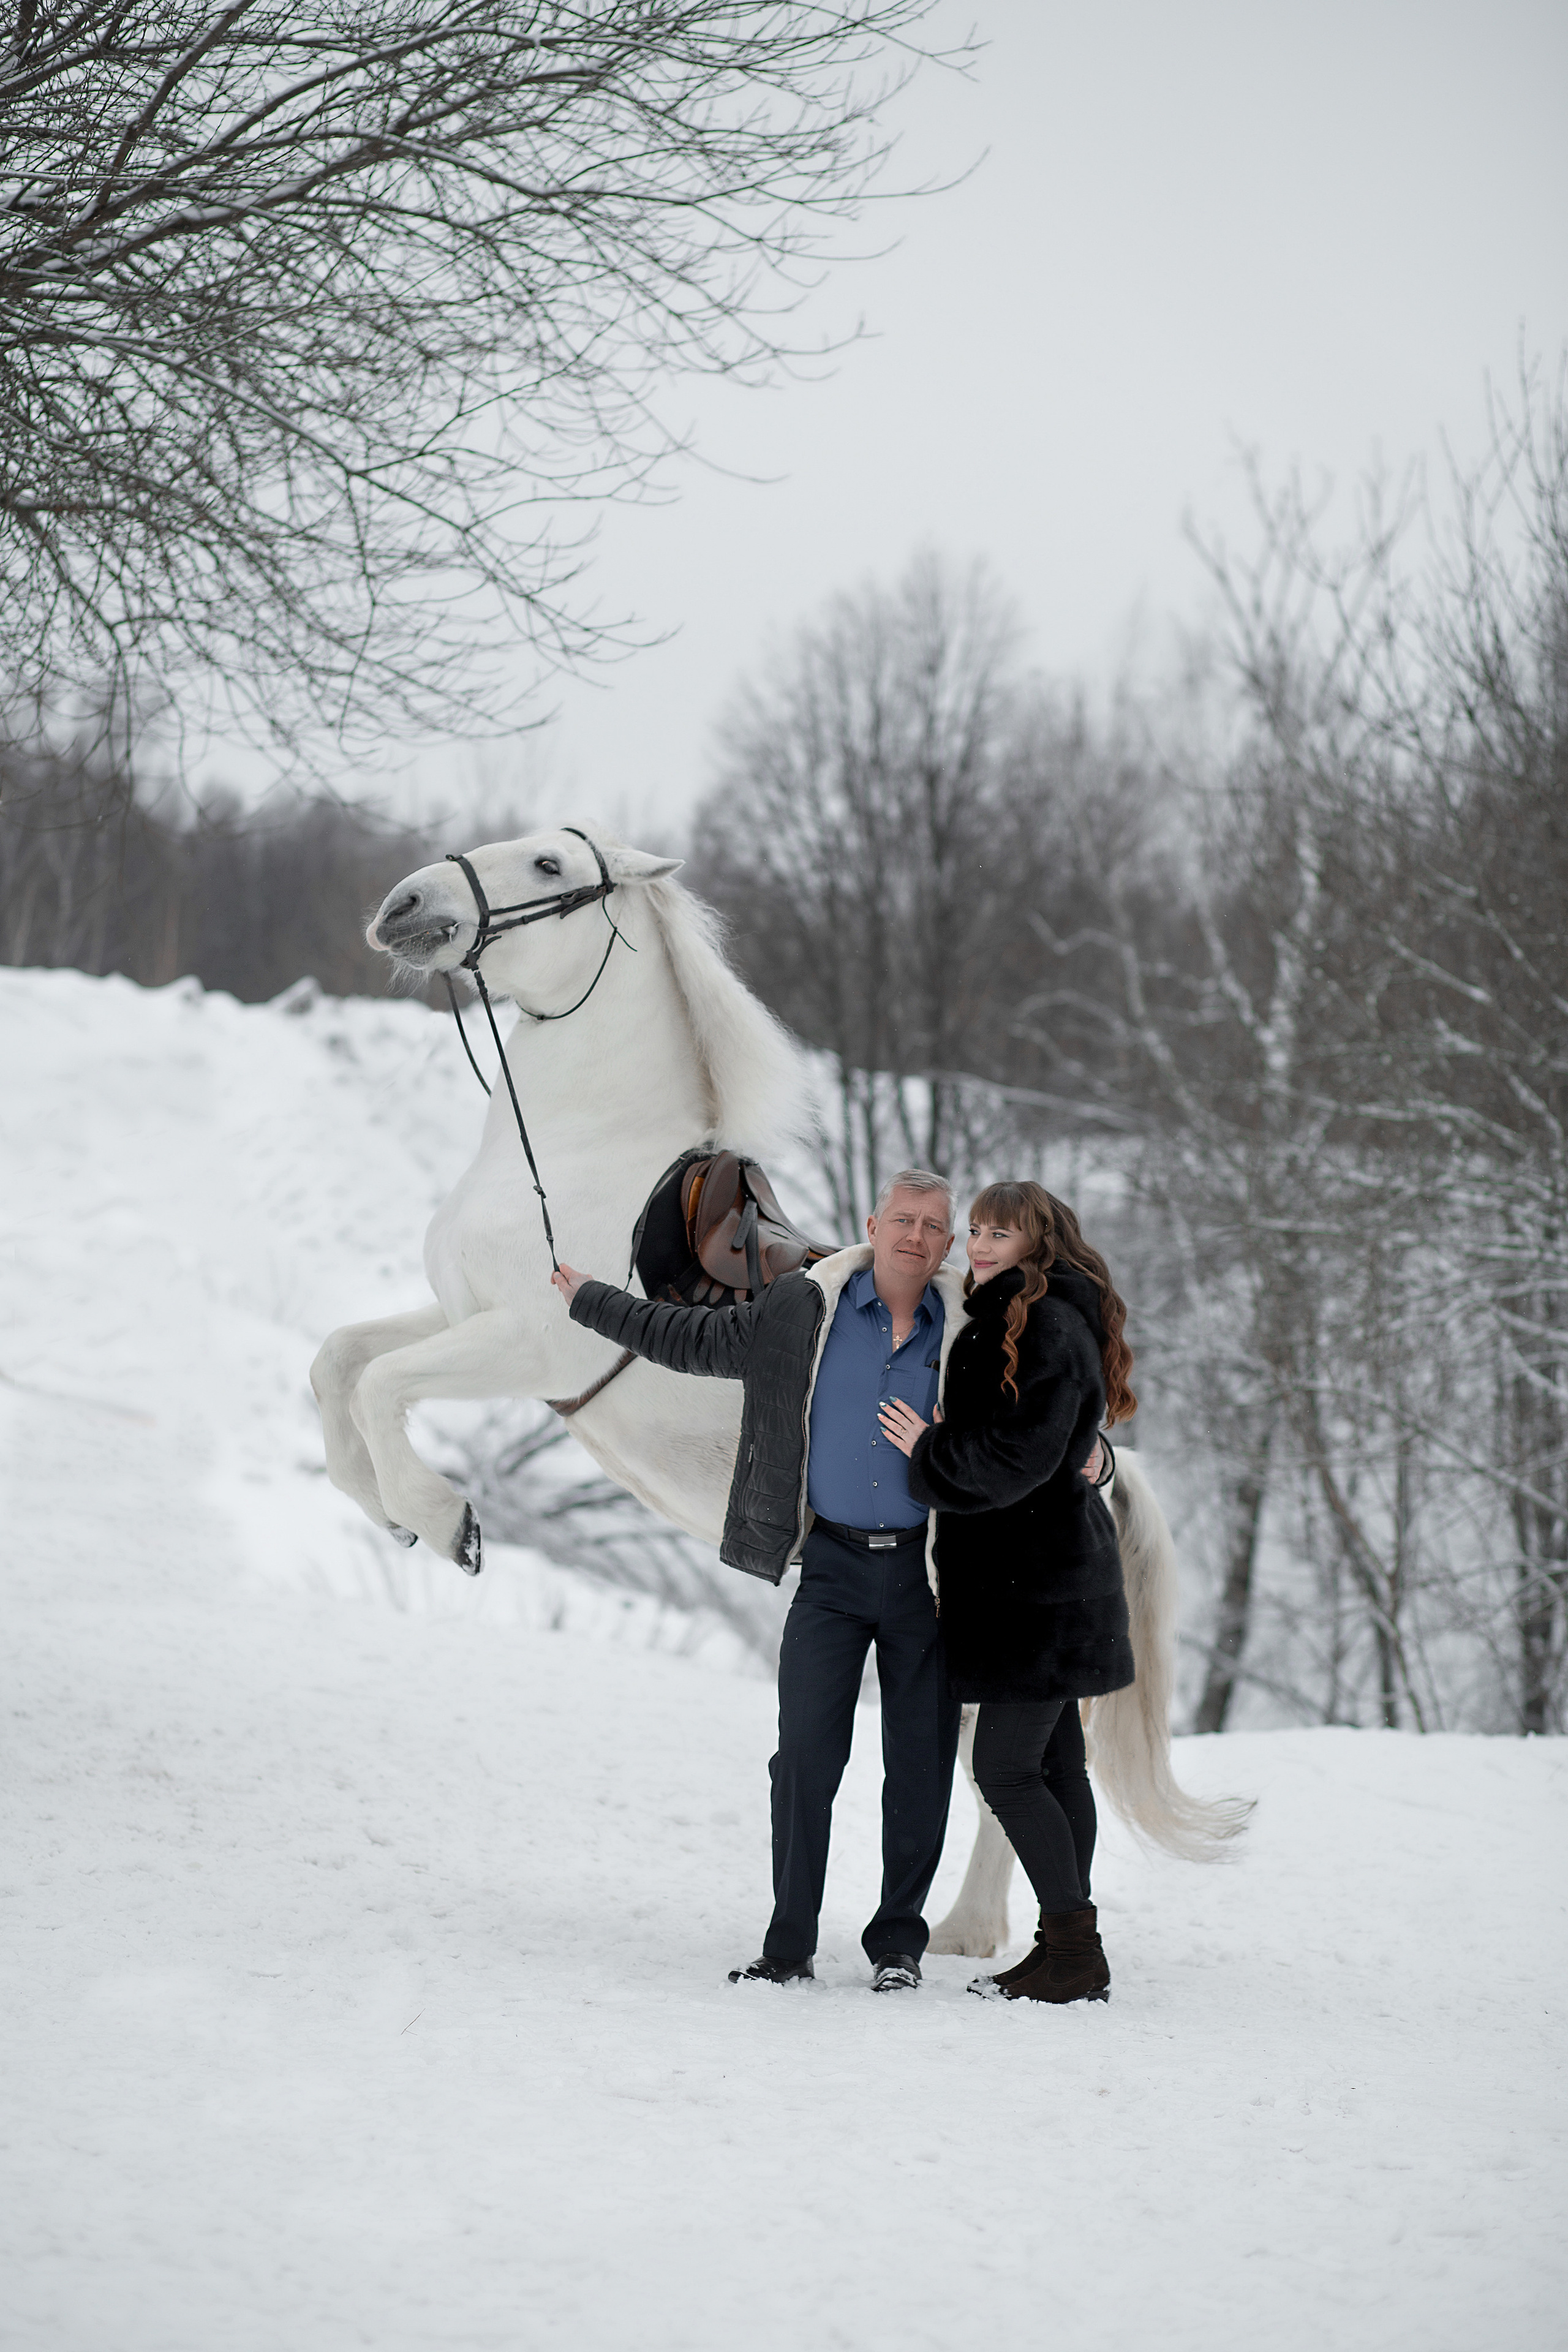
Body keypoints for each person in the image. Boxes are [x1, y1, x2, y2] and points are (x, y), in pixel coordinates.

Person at [552, 1170, 1107, 1992]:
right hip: (835, 1573)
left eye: (935, 1226)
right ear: (875, 1224)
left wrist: (1090, 1461)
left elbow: (1050, 1415)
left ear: (949, 1243)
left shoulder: (979, 1328)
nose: (918, 1237)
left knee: (918, 1765)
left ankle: (897, 1949)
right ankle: (788, 1946)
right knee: (805, 1759)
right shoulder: (801, 1311)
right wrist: (589, 1299)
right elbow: (689, 1337)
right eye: (904, 1220)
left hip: (927, 1580)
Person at [877, 1180, 1135, 2006]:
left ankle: (1074, 1951)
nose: (980, 1246)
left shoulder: (1044, 1320)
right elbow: (1043, 1441)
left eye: (1000, 1233)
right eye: (977, 1231)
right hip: (1041, 1580)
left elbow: (1019, 1460)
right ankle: (1062, 1948)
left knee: (1005, 1768)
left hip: (1038, 1589)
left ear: (1040, 1241)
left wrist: (933, 1450)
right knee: (1059, 1768)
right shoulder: (1024, 1312)